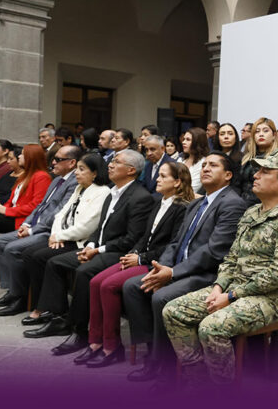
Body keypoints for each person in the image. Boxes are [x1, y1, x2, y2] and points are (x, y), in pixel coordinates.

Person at [163, 149, 278, 385]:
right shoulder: (251, 212)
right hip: (235, 288)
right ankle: (199, 378)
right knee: (174, 311)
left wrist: (231, 296)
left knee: (211, 327)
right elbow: (231, 258)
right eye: (258, 170)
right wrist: (218, 286)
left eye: (265, 171)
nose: (256, 175)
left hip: (273, 297)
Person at [122, 152, 244, 383]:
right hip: (179, 267)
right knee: (132, 287)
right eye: (204, 164)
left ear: (228, 175)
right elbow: (176, 242)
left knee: (161, 297)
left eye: (213, 165)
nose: (206, 168)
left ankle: (166, 368)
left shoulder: (232, 204)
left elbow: (214, 251)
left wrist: (173, 273)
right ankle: (154, 353)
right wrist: (163, 267)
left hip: (208, 274)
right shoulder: (197, 203)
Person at [23, 150, 154, 359]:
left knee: (85, 272)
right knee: (55, 262)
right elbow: (99, 227)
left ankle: (81, 333)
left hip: (118, 252)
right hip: (97, 247)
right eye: (111, 161)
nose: (110, 165)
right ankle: (60, 318)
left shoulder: (140, 197)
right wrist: (90, 245)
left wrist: (97, 250)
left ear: (131, 170)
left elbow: (131, 239)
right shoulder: (113, 192)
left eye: (116, 162)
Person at [77, 162, 194, 368]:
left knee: (109, 285)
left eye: (163, 176)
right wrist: (133, 253)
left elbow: (171, 246)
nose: (157, 179)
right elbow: (144, 236)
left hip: (156, 263)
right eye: (158, 175)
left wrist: (140, 259)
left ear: (177, 182)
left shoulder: (182, 209)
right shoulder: (158, 202)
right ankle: (95, 342)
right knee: (95, 282)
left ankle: (111, 348)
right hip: (140, 256)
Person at [17, 153, 110, 322]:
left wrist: (60, 236)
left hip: (80, 242)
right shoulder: (79, 188)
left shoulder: (102, 192)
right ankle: (40, 304)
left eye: (82, 169)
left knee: (41, 257)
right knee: (29, 253)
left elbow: (87, 226)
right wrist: (55, 235)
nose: (76, 173)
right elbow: (60, 214)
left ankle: (51, 310)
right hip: (63, 238)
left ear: (95, 173)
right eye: (76, 169)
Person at [0, 145, 80, 313]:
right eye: (54, 159)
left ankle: (20, 297)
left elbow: (58, 213)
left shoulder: (73, 183)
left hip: (48, 231)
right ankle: (12, 291)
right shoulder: (57, 180)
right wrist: (27, 224)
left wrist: (32, 230)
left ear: (72, 162)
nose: (53, 162)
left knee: (12, 248)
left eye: (58, 159)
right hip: (35, 225)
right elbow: (40, 206)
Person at [0, 145, 51, 284]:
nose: (19, 157)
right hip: (10, 215)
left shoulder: (42, 177)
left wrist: (6, 210)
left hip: (20, 221)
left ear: (30, 158)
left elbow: (36, 207)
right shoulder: (25, 175)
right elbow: (11, 200)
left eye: (21, 154)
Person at [236, 117, 277, 206]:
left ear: (274, 135)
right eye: (257, 131)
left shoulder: (277, 158)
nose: (261, 134)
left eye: (265, 131)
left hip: (263, 205)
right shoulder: (246, 157)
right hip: (240, 203)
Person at [179, 127, 210, 194]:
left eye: (188, 140)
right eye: (184, 139)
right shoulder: (180, 160)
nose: (183, 142)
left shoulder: (203, 163)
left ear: (197, 142)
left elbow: (193, 188)